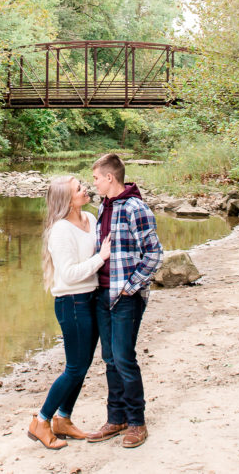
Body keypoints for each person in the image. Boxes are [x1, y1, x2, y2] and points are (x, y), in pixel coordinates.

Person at [28, 175, 112, 450]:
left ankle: (63, 419)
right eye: (79, 188)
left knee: (83, 365)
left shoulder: (89, 217)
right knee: (75, 368)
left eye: (83, 185)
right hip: (72, 302)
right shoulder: (60, 230)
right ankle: (41, 421)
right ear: (66, 199)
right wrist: (101, 258)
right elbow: (70, 274)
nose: (85, 189)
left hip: (90, 299)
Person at [86, 153, 163, 448]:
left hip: (125, 296)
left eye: (95, 178)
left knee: (123, 358)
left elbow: (154, 254)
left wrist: (130, 288)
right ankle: (115, 418)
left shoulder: (135, 208)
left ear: (109, 178)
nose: (93, 183)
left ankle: (136, 422)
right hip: (101, 294)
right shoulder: (104, 207)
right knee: (108, 359)